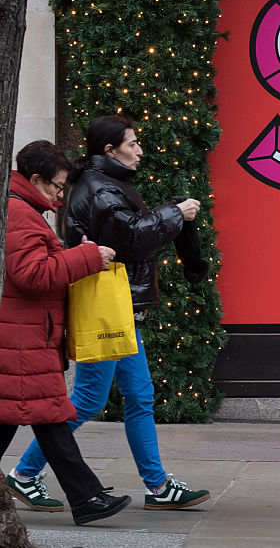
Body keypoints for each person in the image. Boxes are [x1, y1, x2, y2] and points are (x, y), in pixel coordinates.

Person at [7, 116, 211, 511]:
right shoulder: (99, 189)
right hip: (107, 309)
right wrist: (175, 212)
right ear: (109, 150)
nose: (139, 151)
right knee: (87, 399)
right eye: (132, 144)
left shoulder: (104, 184)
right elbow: (134, 237)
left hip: (117, 308)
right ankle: (25, 474)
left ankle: (156, 484)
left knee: (137, 395)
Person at [2, 140, 132, 525]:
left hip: (24, 335)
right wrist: (89, 256)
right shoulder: (20, 213)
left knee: (36, 417)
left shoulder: (21, 209)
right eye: (56, 187)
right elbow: (31, 274)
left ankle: (87, 498)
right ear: (35, 178)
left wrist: (71, 255)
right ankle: (87, 498)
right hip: (24, 338)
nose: (60, 197)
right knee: (49, 418)